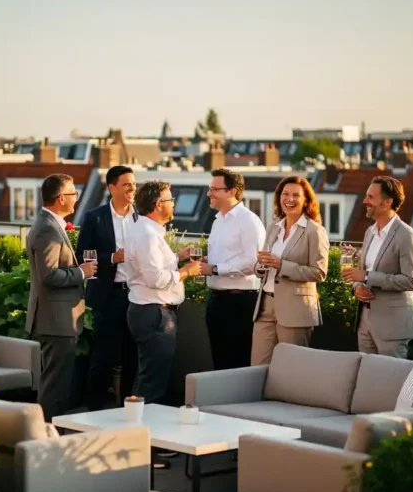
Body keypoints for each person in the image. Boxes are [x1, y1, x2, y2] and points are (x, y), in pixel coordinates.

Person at [25, 173, 97, 421]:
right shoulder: (47, 229)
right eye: (72, 193)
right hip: (56, 321)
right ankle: (44, 436)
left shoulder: (50, 225)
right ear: (59, 198)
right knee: (54, 386)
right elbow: (48, 276)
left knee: (56, 383)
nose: (76, 199)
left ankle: (45, 433)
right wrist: (81, 272)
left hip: (58, 320)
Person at [124, 180, 202, 406]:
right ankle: (141, 434)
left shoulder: (146, 231)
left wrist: (177, 257)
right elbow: (155, 279)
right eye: (170, 200)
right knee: (152, 383)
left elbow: (151, 266)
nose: (174, 204)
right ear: (158, 204)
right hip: (154, 314)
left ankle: (136, 429)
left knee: (147, 377)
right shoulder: (148, 235)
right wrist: (186, 271)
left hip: (149, 312)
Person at [76, 165, 139, 410]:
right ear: (112, 188)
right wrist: (113, 258)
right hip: (107, 297)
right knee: (103, 356)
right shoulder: (95, 217)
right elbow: (83, 255)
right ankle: (95, 410)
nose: (132, 189)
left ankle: (129, 410)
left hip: (136, 296)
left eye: (134, 184)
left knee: (133, 356)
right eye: (126, 184)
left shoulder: (141, 217)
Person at [342, 175, 413, 359]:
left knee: (391, 379)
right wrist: (357, 288)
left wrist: (367, 277)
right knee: (367, 376)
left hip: (392, 326)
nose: (364, 201)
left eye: (370, 197)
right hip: (365, 321)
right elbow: (363, 273)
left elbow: (410, 281)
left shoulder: (407, 236)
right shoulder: (370, 232)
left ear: (387, 202)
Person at [252, 176, 329, 364]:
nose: (290, 199)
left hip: (295, 309)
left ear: (306, 200)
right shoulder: (273, 228)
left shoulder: (315, 231)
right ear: (279, 198)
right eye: (285, 194)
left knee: (292, 368)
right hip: (265, 306)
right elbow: (262, 267)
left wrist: (281, 265)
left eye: (296, 195)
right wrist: (261, 265)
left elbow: (319, 272)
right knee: (257, 365)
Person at [201, 168, 266, 369]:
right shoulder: (218, 220)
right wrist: (208, 262)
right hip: (217, 301)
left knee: (237, 362)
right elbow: (226, 258)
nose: (209, 194)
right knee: (219, 361)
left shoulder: (249, 221)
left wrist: (215, 269)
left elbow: (253, 262)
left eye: (214, 189)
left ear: (231, 191)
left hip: (239, 303)